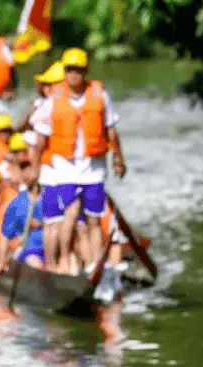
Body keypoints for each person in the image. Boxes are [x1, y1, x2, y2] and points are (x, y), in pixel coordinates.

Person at [32, 48, 127, 274]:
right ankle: (63, 261)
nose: (73, 75)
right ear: (65, 72)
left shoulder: (100, 95)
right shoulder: (53, 99)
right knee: (72, 211)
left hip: (93, 167)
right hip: (65, 168)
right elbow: (40, 137)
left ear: (85, 72)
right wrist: (36, 168)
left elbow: (111, 130)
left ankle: (95, 265)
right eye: (69, 70)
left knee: (94, 219)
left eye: (78, 71)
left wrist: (118, 158)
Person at [2, 158, 46, 268]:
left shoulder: (52, 195)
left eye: (29, 168)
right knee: (35, 263)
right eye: (23, 170)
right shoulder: (17, 203)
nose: (26, 173)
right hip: (32, 252)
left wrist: (41, 224)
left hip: (55, 250)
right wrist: (1, 261)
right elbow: (6, 236)